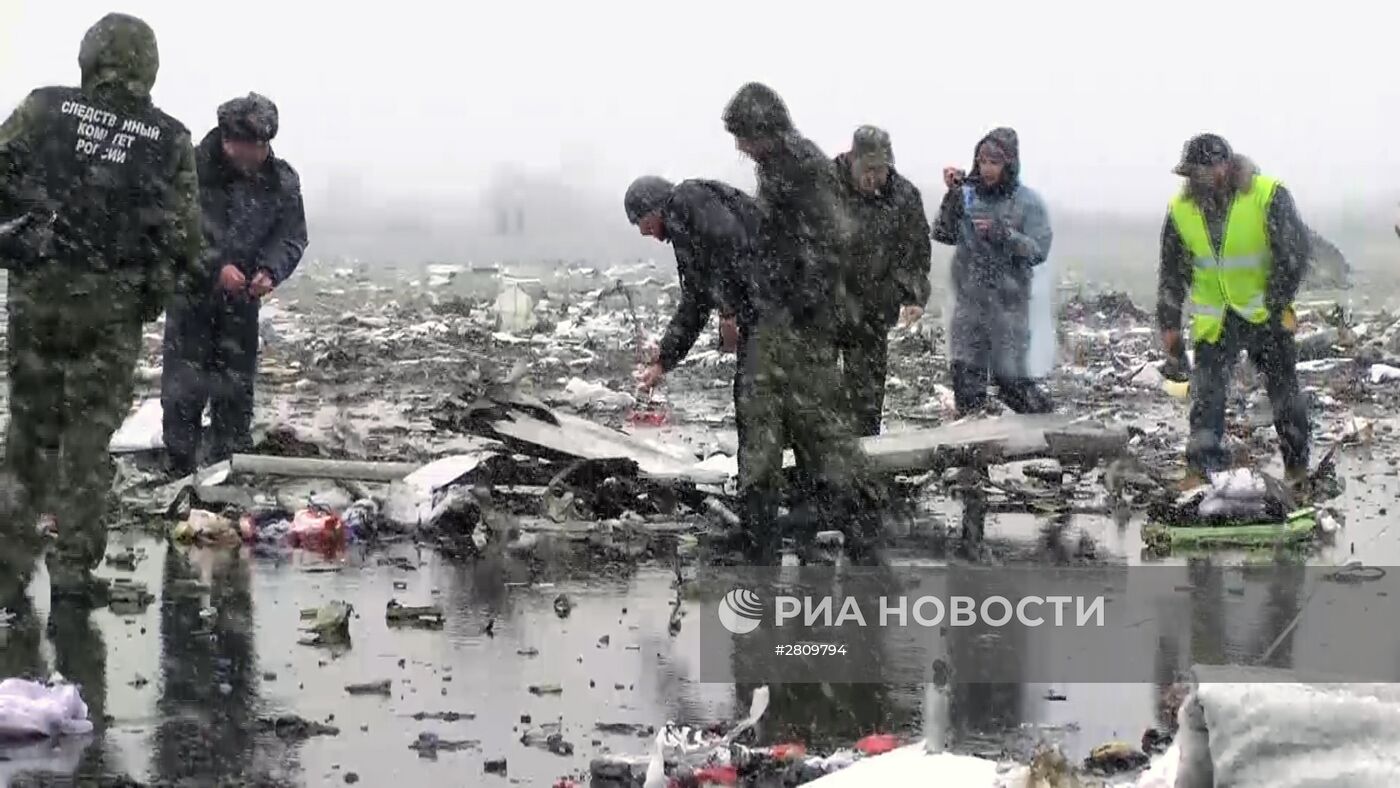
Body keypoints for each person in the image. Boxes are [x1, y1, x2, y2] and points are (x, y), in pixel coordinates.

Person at [0, 13, 202, 603]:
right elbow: (185, 238)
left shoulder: (44, 110)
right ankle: (70, 572)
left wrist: (35, 223)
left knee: (29, 433)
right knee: (88, 441)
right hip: (111, 309)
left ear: (89, 58)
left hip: (39, 297)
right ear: (150, 65)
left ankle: (7, 566)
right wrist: (150, 287)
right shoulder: (168, 140)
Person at [721, 81, 877, 563]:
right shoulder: (779, 165)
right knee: (783, 417)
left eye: (744, 136)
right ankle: (787, 524)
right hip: (788, 310)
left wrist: (801, 301)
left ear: (764, 128)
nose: (740, 148)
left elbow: (831, 237)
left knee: (803, 421)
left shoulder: (799, 165)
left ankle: (838, 523)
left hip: (801, 316)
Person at [161, 93, 308, 478]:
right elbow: (172, 229)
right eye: (247, 145)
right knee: (184, 389)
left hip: (242, 303)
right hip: (191, 296)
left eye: (263, 145)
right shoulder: (189, 170)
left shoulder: (282, 180)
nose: (256, 154)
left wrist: (270, 271)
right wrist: (214, 267)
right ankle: (179, 471)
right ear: (227, 139)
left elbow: (291, 236)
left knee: (235, 390)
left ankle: (227, 469)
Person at [1156, 133, 1311, 489]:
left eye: (1206, 170)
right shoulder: (1182, 211)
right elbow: (1172, 273)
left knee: (1284, 392)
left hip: (1265, 316)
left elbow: (1294, 253)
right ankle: (1201, 472)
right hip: (1216, 320)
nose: (1199, 179)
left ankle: (1298, 470)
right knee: (1206, 395)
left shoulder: (1266, 194)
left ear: (1225, 165)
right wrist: (1169, 324)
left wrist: (1275, 299)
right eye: (1192, 173)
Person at [933, 127, 1054, 417]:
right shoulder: (966, 196)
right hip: (969, 305)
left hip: (1009, 308)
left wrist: (1005, 235)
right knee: (966, 382)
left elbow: (1039, 250)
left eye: (995, 162)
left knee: (1012, 383)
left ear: (1009, 164)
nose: (987, 168)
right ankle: (973, 455)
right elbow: (942, 233)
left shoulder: (1028, 202)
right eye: (982, 160)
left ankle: (1052, 431)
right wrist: (951, 195)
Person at [832, 125, 932, 435]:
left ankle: (863, 467)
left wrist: (914, 295)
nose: (873, 176)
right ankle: (811, 469)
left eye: (880, 169)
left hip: (872, 309)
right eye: (867, 168)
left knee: (866, 399)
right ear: (852, 159)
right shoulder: (823, 185)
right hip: (823, 306)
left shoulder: (903, 197)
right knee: (812, 393)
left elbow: (916, 251)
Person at [625, 175, 758, 391]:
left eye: (640, 221)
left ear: (654, 208)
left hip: (780, 294)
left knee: (757, 392)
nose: (642, 231)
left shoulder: (686, 199)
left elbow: (730, 241)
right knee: (752, 392)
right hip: (765, 304)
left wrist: (728, 310)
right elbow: (695, 303)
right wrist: (662, 362)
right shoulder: (686, 236)